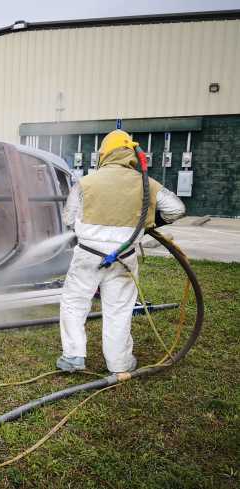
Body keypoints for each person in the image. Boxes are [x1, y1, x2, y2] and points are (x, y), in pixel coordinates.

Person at [57, 129, 185, 373]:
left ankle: (73, 357)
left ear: (103, 154)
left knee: (74, 304)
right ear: (132, 153)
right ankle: (119, 363)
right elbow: (177, 209)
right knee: (118, 310)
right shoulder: (148, 184)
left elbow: (68, 218)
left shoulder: (86, 182)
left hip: (87, 255)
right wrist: (148, 224)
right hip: (124, 257)